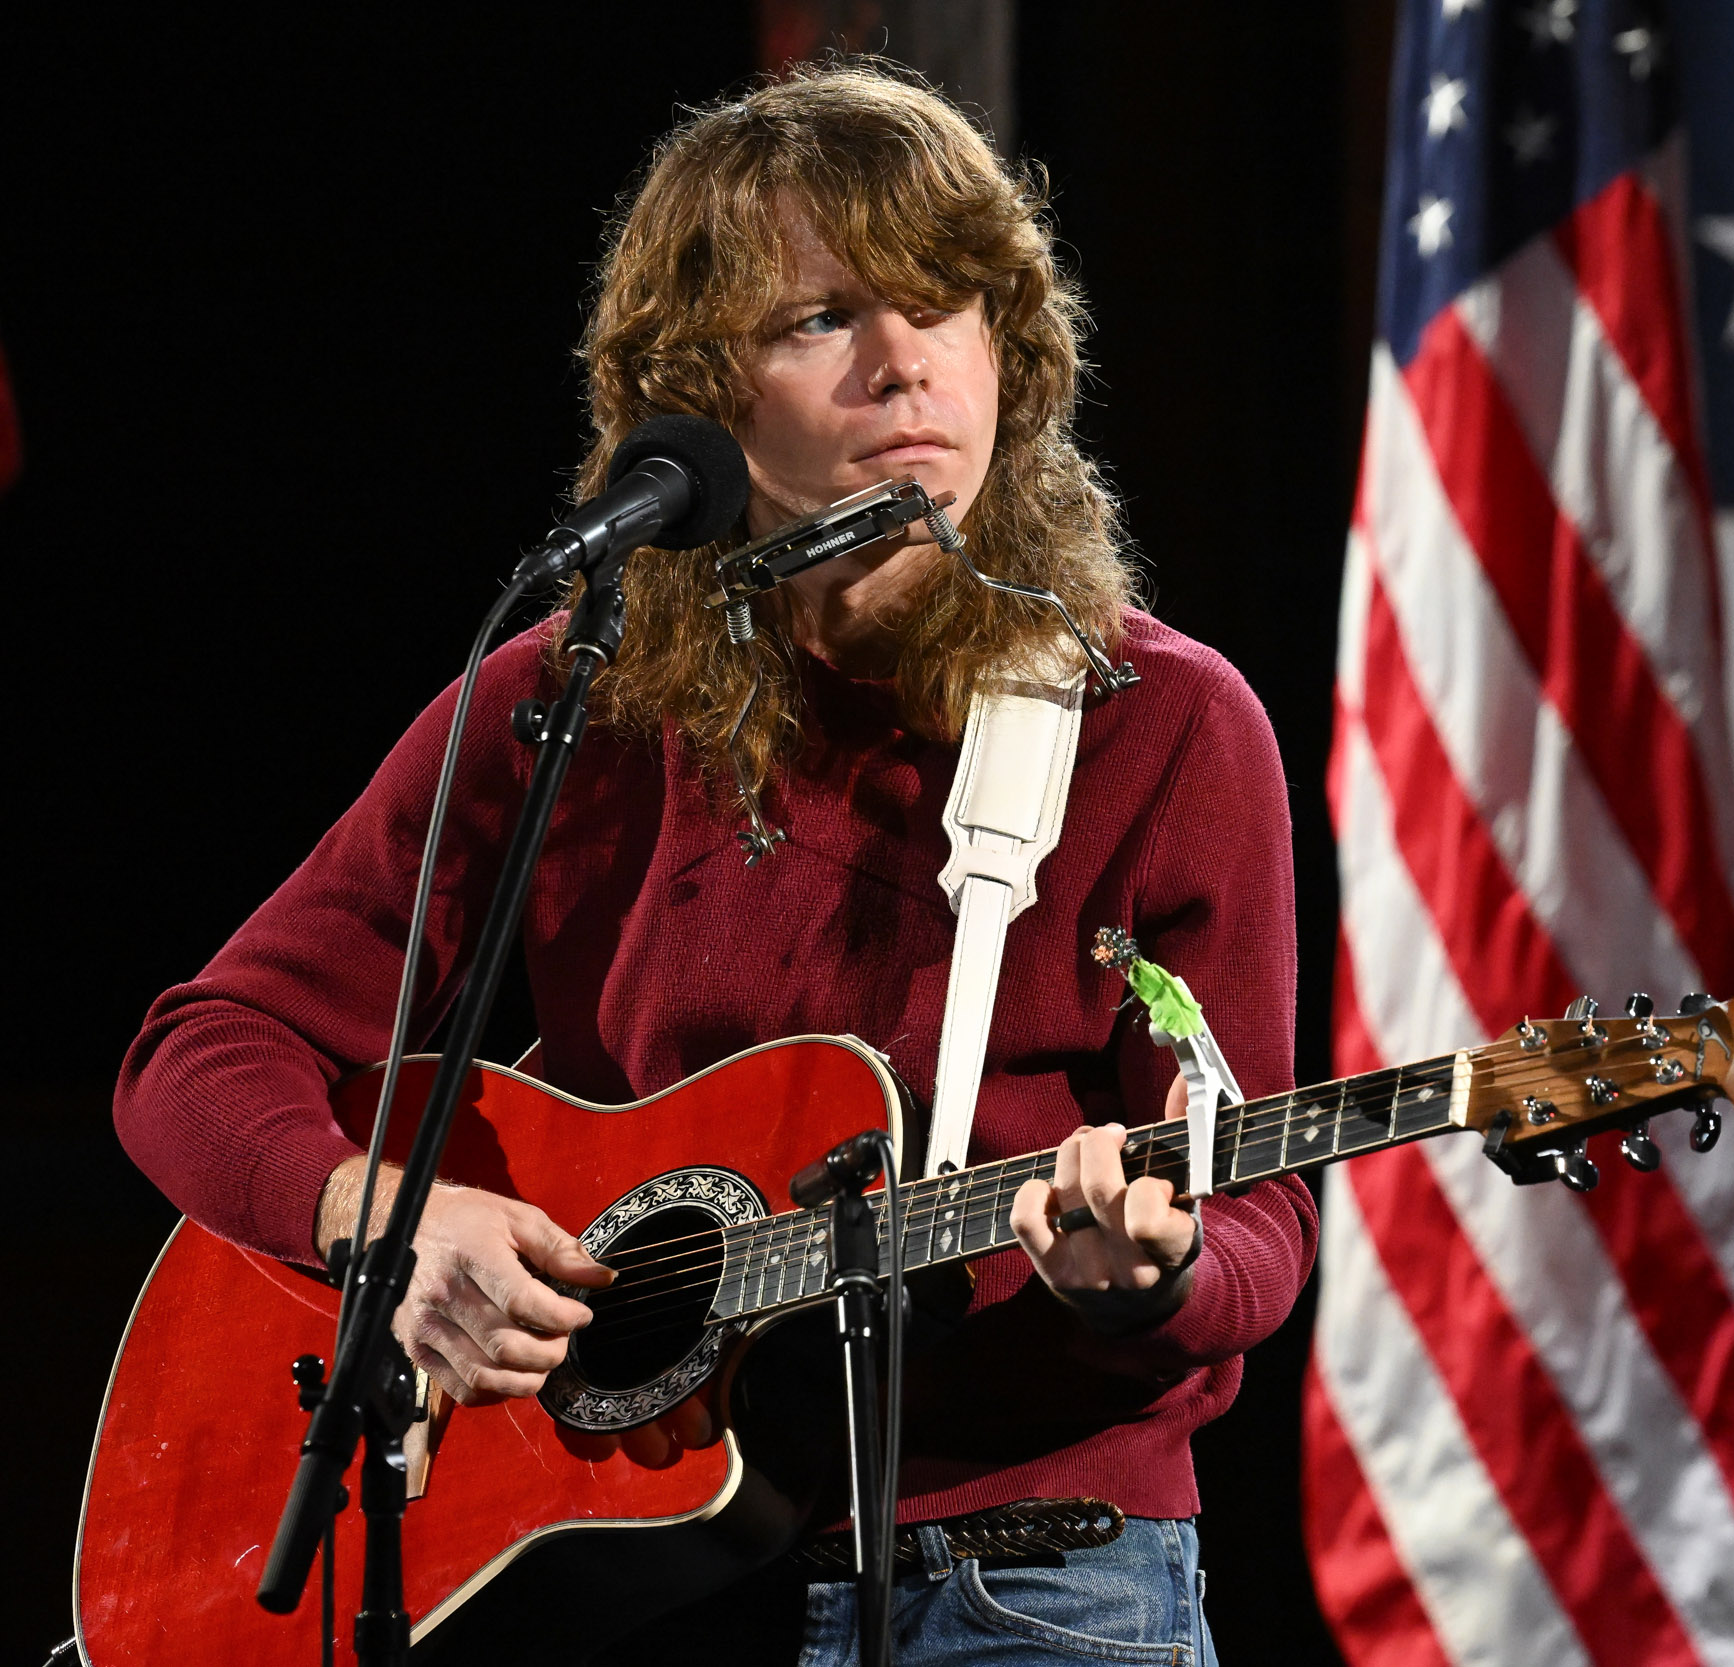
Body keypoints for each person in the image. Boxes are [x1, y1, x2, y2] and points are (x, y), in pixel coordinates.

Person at [114, 59, 1310, 1666]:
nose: (903, 367)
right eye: (821, 319)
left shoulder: (1157, 722)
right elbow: (200, 1052)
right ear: (699, 397)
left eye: (945, 304)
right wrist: (379, 1217)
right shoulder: (569, 702)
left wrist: (1147, 1279)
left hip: (1028, 1577)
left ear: (1010, 359)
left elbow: (1262, 1223)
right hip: (609, 1577)